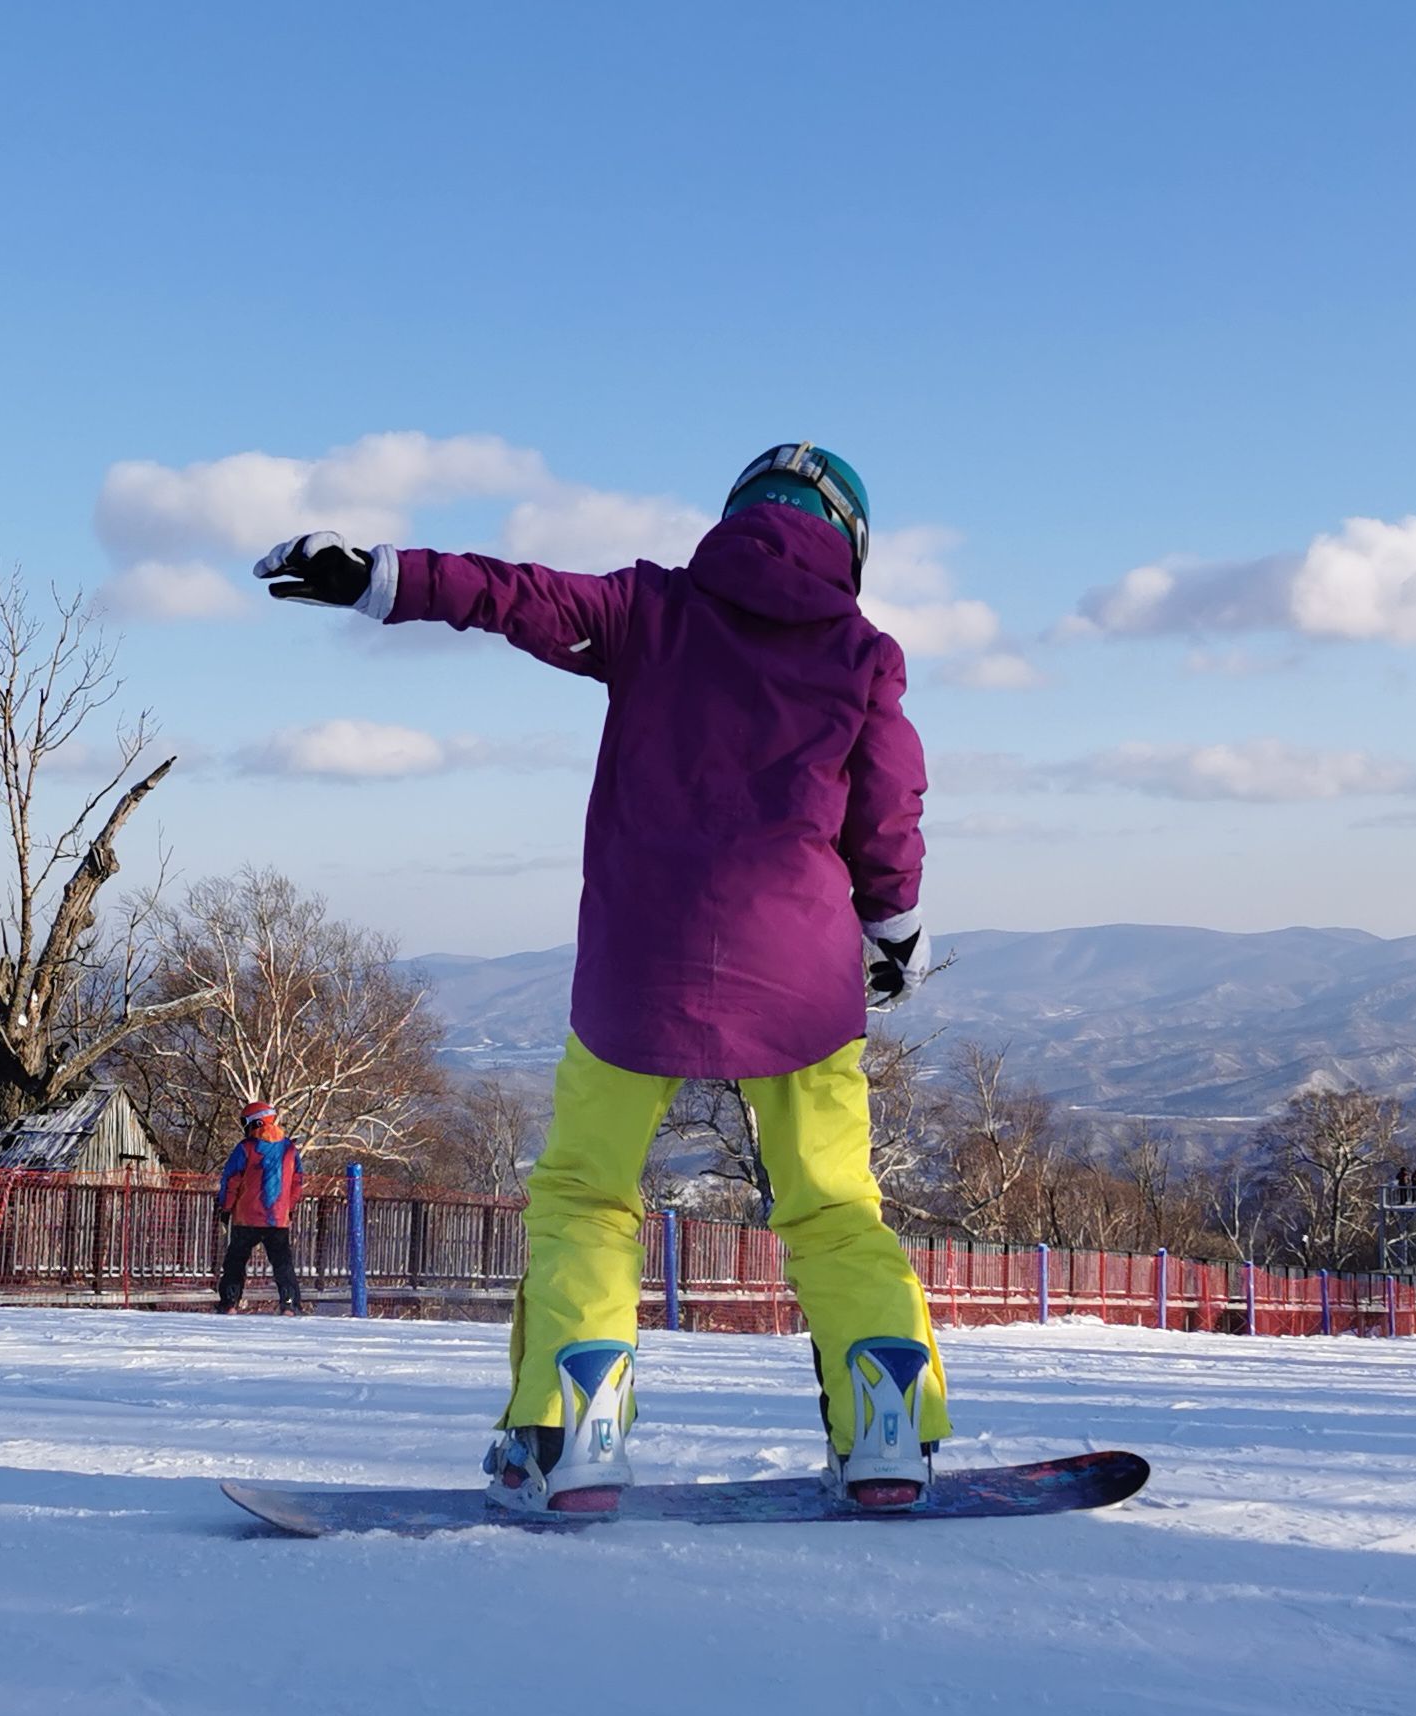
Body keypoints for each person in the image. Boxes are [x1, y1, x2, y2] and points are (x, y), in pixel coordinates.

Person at [255, 442, 944, 1516]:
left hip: (641, 973)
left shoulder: (652, 614)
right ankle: (888, 1433)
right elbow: (885, 810)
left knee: (586, 1198)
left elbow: (519, 597)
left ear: (735, 517)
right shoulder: (863, 652)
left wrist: (379, 576)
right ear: (851, 541)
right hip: (803, 988)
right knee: (835, 1207)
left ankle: (574, 1440)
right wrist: (895, 928)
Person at [213, 1103, 307, 1314]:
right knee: (283, 1263)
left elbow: (231, 1180)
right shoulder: (289, 1149)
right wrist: (288, 1207)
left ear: (255, 1122)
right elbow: (297, 1182)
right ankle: (290, 1305)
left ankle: (229, 1303)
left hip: (246, 1217)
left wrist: (225, 1208)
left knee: (235, 1261)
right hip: (277, 1218)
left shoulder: (245, 1148)